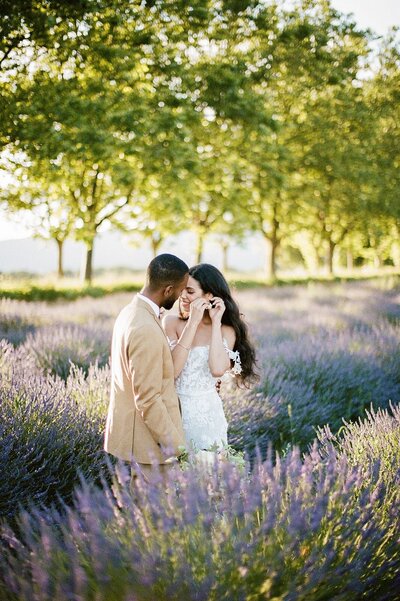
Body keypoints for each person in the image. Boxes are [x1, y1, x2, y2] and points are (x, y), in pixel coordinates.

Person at [104, 253, 189, 487]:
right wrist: (177, 447)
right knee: (156, 518)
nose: (182, 295)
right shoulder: (146, 328)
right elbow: (148, 398)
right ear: (168, 289)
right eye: (181, 290)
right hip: (147, 447)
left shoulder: (129, 312)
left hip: (135, 441)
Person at [162, 263, 257, 454]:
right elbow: (173, 371)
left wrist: (215, 323)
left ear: (209, 296)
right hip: (174, 412)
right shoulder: (171, 323)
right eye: (182, 290)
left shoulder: (227, 330)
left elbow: (217, 369)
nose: (183, 296)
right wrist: (193, 322)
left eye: (190, 291)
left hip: (208, 416)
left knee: (209, 475)